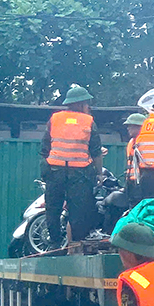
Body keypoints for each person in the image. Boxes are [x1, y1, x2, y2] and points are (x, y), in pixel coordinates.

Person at [41, 85, 103, 249]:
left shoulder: (54, 119)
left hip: (55, 172)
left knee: (53, 208)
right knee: (78, 211)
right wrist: (99, 175)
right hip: (79, 174)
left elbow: (44, 148)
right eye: (87, 103)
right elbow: (96, 151)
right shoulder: (89, 121)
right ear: (81, 103)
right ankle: (75, 245)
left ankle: (54, 243)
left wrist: (45, 169)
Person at [122, 113, 147, 204]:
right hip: (131, 183)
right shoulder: (132, 142)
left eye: (130, 126)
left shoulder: (144, 142)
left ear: (139, 126)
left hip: (141, 183)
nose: (128, 128)